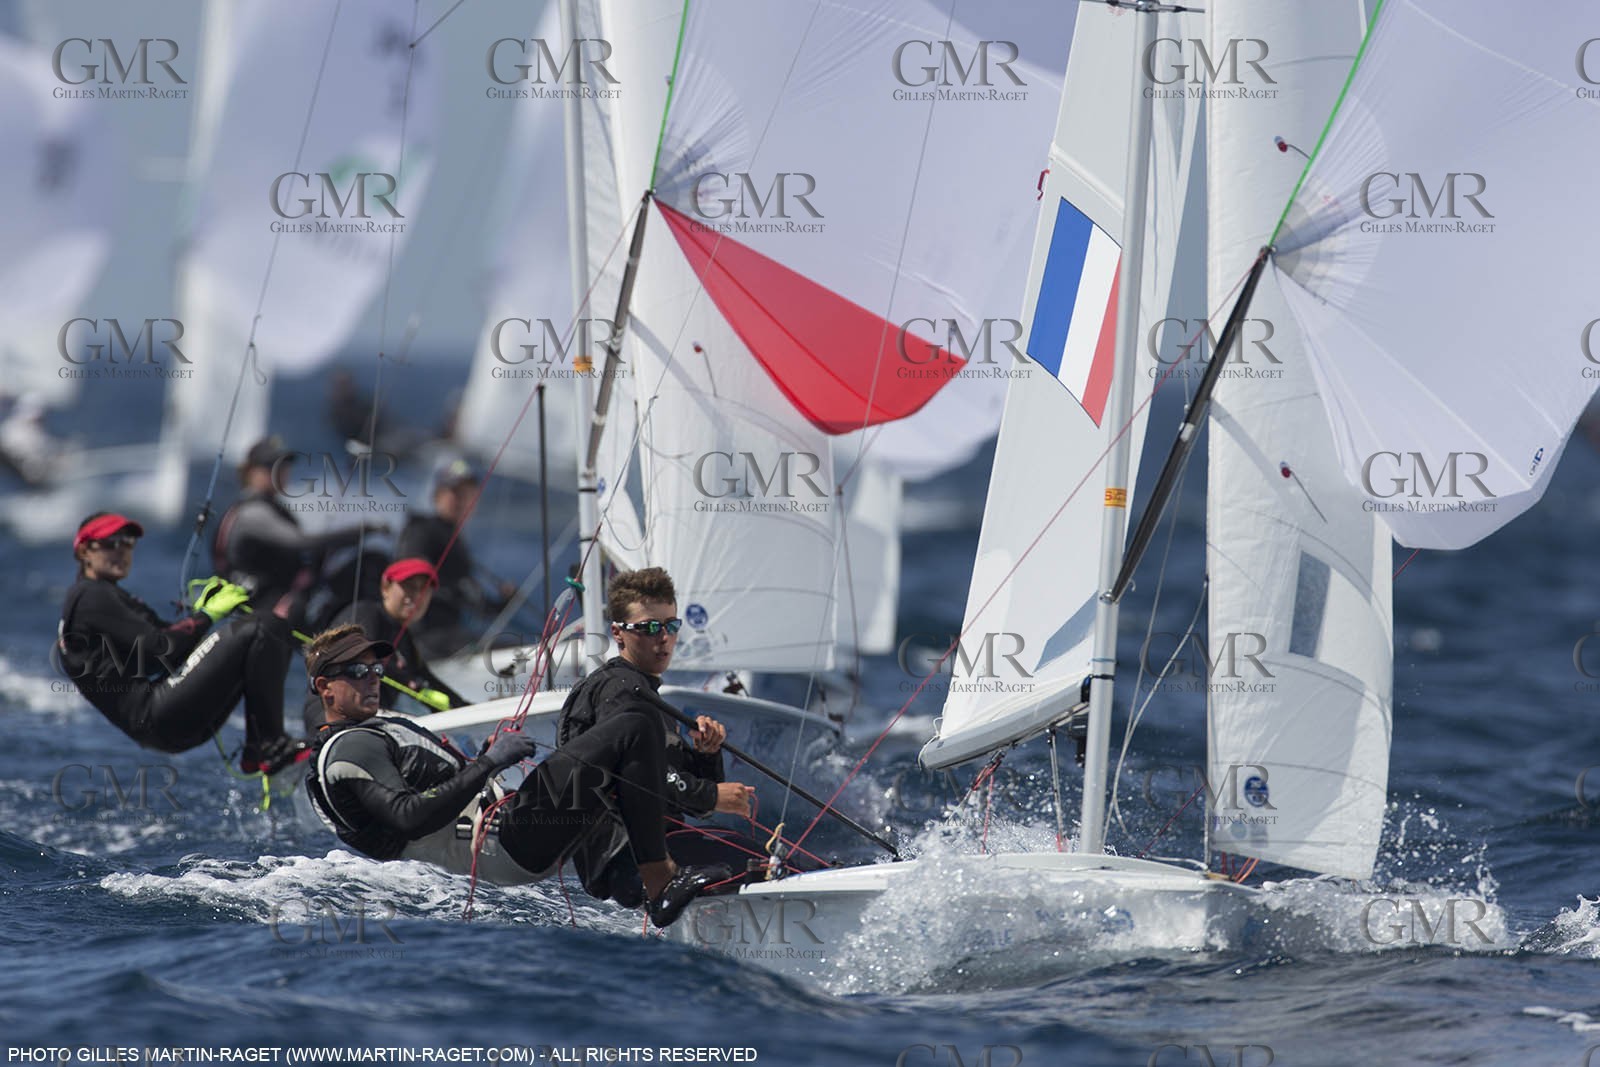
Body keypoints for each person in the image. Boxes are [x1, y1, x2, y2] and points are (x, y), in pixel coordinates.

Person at [302, 623, 728, 927]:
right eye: (357, 673)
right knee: (632, 724)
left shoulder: (371, 730)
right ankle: (659, 885)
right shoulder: (351, 746)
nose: (372, 680)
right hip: (503, 848)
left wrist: (479, 763)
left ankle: (627, 881)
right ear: (325, 688)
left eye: (376, 670)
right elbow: (409, 816)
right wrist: (490, 764)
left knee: (608, 760)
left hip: (513, 837)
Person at [556, 566, 762, 906]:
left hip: (657, 853)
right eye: (649, 627)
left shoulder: (644, 696)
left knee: (757, 858)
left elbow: (683, 801)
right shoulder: (618, 692)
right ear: (618, 633)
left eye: (671, 625)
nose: (662, 637)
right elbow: (632, 777)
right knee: (770, 867)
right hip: (629, 863)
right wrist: (711, 794)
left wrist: (705, 756)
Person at [57, 512, 308, 774]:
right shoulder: (91, 597)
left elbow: (165, 646)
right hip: (157, 714)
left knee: (268, 629)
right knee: (262, 627)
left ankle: (268, 746)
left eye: (128, 543)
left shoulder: (100, 596)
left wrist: (199, 616)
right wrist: (206, 616)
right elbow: (162, 649)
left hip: (162, 723)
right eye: (111, 543)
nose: (122, 551)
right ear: (85, 551)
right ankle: (266, 747)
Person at [211, 435, 384, 629]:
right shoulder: (252, 513)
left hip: (285, 599)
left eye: (284, 466)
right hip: (264, 609)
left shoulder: (274, 508)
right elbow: (300, 542)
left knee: (371, 563)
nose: (281, 472)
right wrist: (356, 533)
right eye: (271, 467)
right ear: (251, 471)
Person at [299, 557, 468, 733]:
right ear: (385, 587)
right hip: (330, 720)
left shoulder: (404, 638)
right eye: (409, 586)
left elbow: (427, 680)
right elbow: (360, 662)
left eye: (424, 590)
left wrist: (466, 708)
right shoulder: (366, 614)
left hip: (368, 721)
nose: (416, 596)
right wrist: (411, 683)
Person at [395, 458, 516, 658]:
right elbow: (411, 577)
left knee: (513, 647)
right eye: (454, 493)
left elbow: (469, 597)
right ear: (437, 497)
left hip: (450, 637)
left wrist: (503, 603)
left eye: (468, 494)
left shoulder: (455, 540)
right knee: (510, 651)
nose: (461, 500)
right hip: (426, 640)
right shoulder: (421, 531)